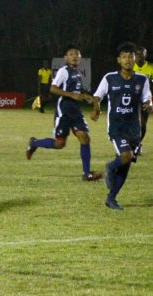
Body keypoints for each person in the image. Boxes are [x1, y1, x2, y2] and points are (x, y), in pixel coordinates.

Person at [26, 45, 102, 181]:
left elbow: (77, 93)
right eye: (71, 54)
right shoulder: (64, 71)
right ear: (66, 58)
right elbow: (53, 88)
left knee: (85, 137)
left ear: (80, 58)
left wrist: (86, 97)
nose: (74, 56)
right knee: (60, 143)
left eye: (77, 54)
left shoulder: (78, 73)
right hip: (64, 110)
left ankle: (86, 173)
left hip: (76, 111)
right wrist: (71, 95)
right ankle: (34, 143)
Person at [91, 42, 152, 210]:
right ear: (119, 60)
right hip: (117, 127)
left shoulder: (142, 79)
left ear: (135, 59)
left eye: (130, 56)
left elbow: (147, 98)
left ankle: (111, 198)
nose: (127, 60)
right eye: (124, 56)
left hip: (134, 128)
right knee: (125, 156)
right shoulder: (109, 78)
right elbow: (97, 96)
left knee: (126, 165)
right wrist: (96, 108)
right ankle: (109, 168)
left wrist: (149, 104)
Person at [133, 46, 153, 154]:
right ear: (134, 55)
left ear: (145, 55)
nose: (140, 57)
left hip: (146, 98)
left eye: (142, 54)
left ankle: (138, 144)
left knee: (143, 123)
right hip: (132, 98)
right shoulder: (130, 67)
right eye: (138, 54)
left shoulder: (151, 68)